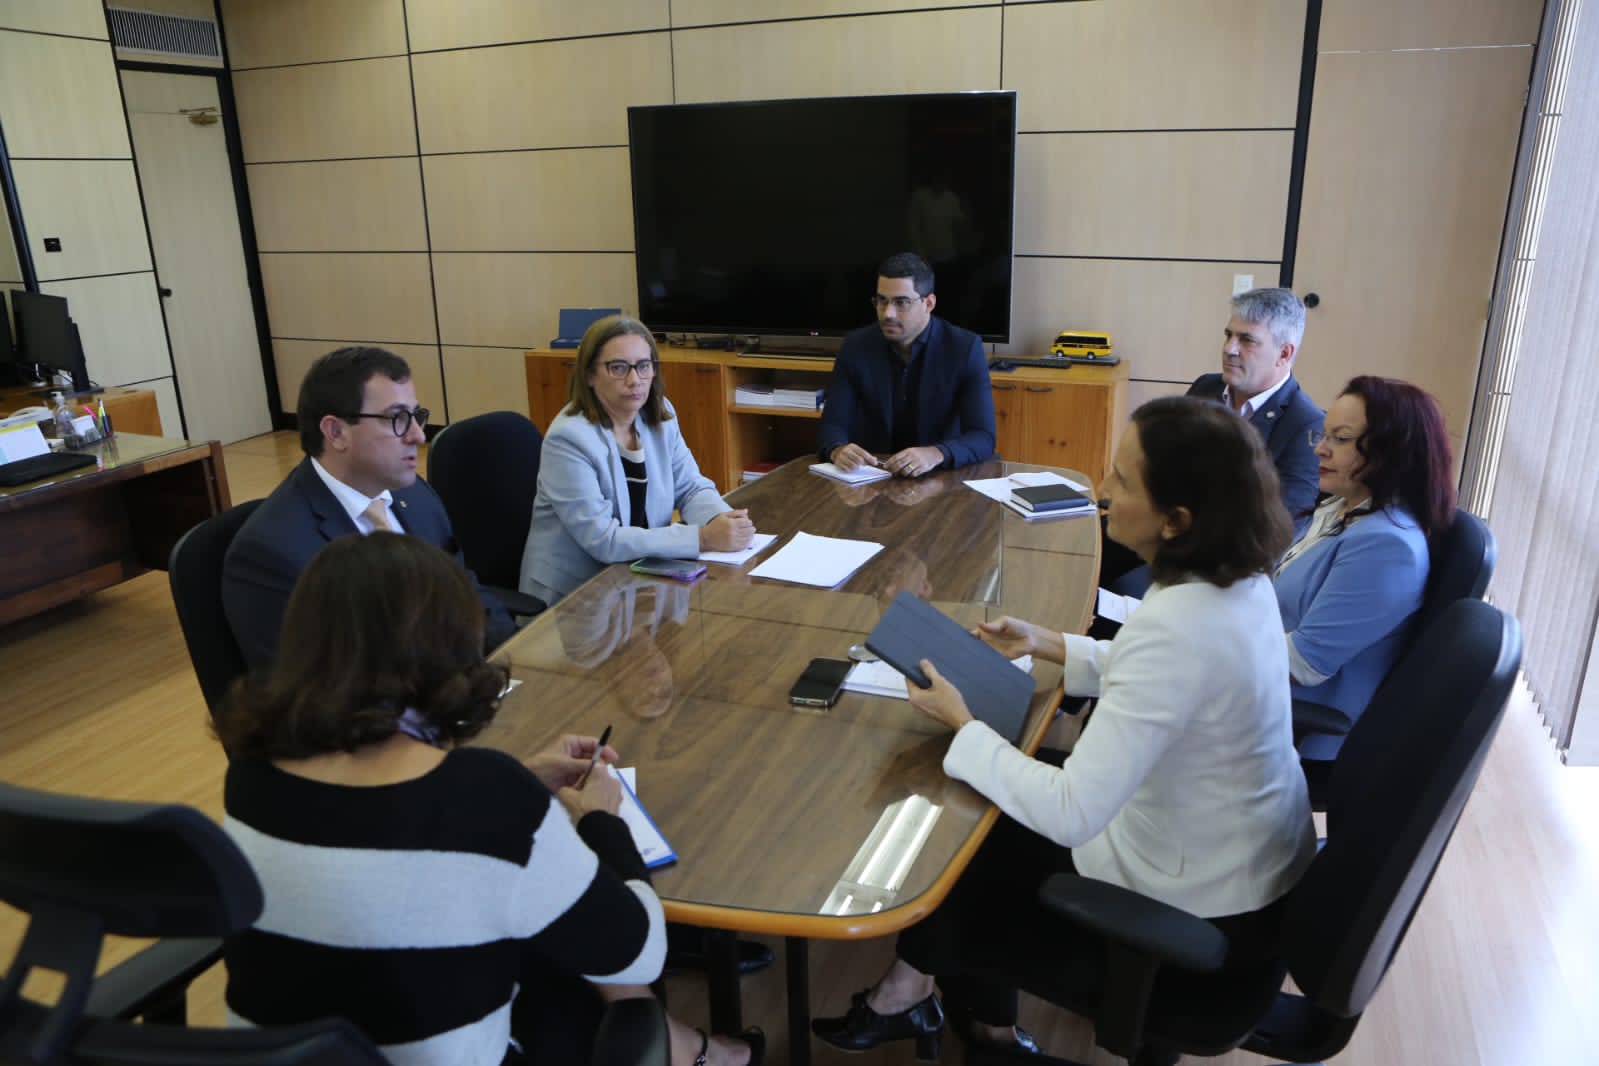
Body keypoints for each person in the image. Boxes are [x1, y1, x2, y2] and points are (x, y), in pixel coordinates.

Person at [812, 396, 1316, 1059]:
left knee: (962, 837)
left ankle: (931, 1005)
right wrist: (1047, 642)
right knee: (982, 810)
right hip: (1243, 863)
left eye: (1122, 480)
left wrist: (962, 722)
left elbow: (1072, 812)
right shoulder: (1238, 582)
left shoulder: (1179, 624)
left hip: (1199, 905)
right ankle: (936, 1004)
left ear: (1176, 520)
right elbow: (1170, 680)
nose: (1102, 490)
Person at [215, 533, 762, 1066]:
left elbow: (380, 829)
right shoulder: (489, 796)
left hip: (290, 1051)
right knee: (592, 967)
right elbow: (641, 953)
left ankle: (694, 1050)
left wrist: (519, 780)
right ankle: (697, 1054)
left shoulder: (254, 769)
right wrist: (602, 821)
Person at [222, 345, 514, 670]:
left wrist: (518, 657)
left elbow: (467, 594)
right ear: (336, 432)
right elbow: (315, 688)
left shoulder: (416, 495)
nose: (418, 436)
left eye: (416, 416)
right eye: (397, 419)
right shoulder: (273, 552)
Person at [1100, 287, 1321, 598]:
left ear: (1284, 353)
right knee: (1088, 548)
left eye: (1247, 340)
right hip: (1161, 529)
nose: (1230, 349)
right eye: (1228, 335)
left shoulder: (1305, 424)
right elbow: (1161, 466)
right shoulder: (1207, 388)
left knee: (1118, 594)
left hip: (1213, 568)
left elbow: (1273, 531)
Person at [520, 315, 753, 606]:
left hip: (638, 581)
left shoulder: (659, 415)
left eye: (644, 366)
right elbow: (603, 540)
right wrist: (703, 538)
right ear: (589, 375)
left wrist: (722, 520)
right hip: (575, 599)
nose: (634, 380)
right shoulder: (569, 439)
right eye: (618, 368)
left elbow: (690, 487)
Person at [1277, 375, 1454, 752]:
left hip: (1294, 723)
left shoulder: (1387, 547)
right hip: (1259, 692)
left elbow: (1303, 664)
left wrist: (1207, 648)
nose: (1320, 449)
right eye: (1323, 435)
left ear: (1392, 451)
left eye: (1340, 439)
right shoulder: (1340, 507)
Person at [817, 252, 996, 477]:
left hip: (940, 475)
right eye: (882, 301)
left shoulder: (964, 349)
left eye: (901, 302)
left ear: (928, 303)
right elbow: (831, 425)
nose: (887, 313)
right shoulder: (855, 346)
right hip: (873, 474)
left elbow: (983, 437)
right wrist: (837, 449)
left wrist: (935, 453)